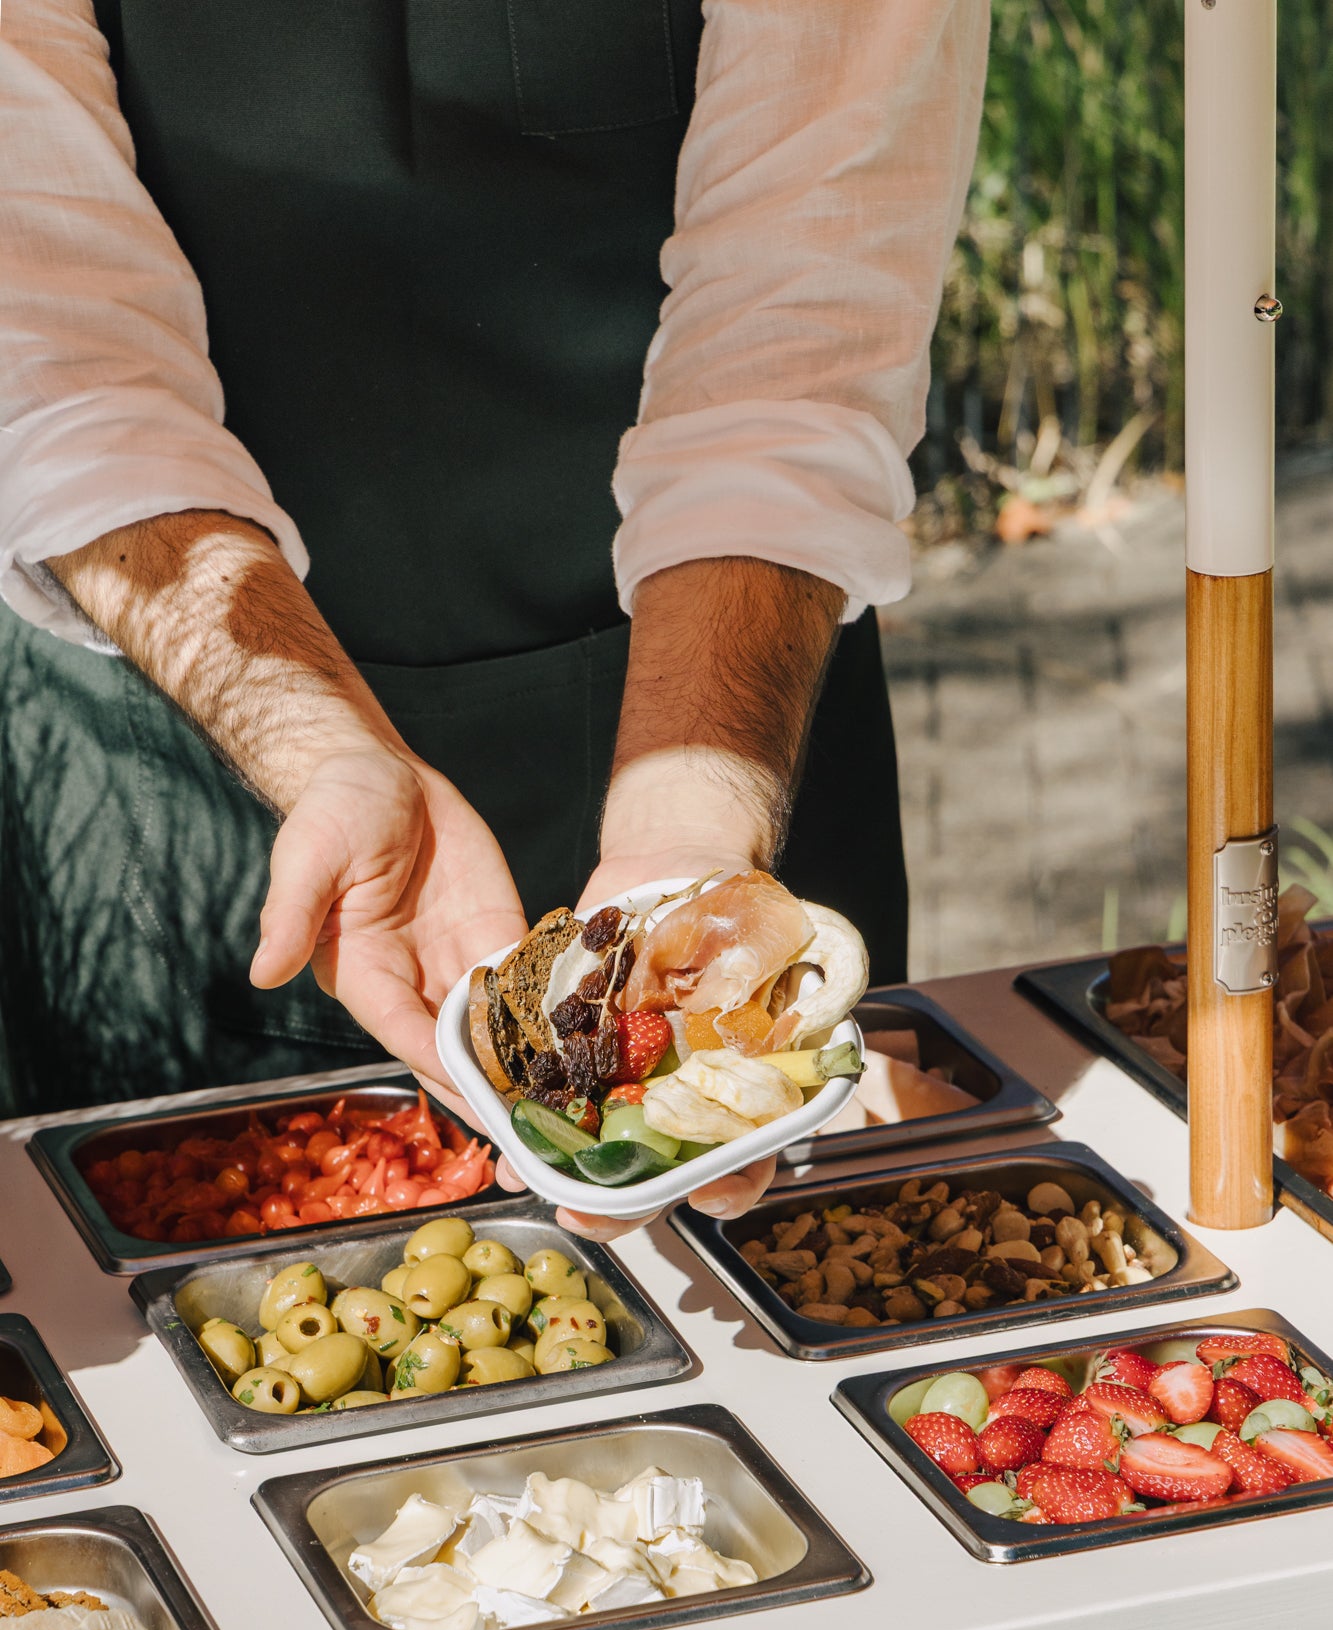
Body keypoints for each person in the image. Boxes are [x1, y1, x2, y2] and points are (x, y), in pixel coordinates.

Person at [0, 0, 989, 1229]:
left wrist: (687, 844)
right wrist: (318, 749)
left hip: (729, 712)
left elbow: (798, 345)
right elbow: (60, 370)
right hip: (160, 728)